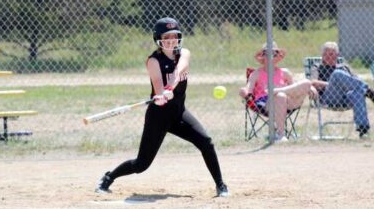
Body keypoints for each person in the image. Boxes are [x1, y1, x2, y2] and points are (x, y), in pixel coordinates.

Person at [95, 17, 229, 197]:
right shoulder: (153, 61)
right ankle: (108, 178)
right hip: (158, 117)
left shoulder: (184, 53)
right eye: (167, 37)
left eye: (175, 36)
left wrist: (170, 88)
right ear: (158, 39)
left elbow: (179, 70)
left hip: (179, 115)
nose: (171, 40)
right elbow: (158, 84)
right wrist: (160, 96)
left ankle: (220, 185)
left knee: (206, 142)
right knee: (141, 164)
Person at [239, 42, 317, 142]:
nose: (271, 56)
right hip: (267, 104)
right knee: (280, 96)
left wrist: (308, 88)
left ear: (277, 57)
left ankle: (275, 90)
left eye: (274, 54)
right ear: (262, 57)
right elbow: (248, 89)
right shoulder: (256, 73)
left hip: (289, 102)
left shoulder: (285, 72)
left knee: (306, 83)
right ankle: (280, 135)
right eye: (267, 53)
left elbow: (294, 89)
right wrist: (243, 91)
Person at [311, 41, 374, 137]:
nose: (328, 57)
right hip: (328, 98)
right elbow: (313, 82)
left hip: (346, 98)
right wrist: (333, 84)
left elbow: (356, 81)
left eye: (332, 54)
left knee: (357, 93)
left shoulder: (344, 67)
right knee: (337, 74)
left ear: (337, 55)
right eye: (325, 54)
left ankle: (363, 129)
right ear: (322, 55)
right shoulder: (317, 67)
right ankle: (368, 91)